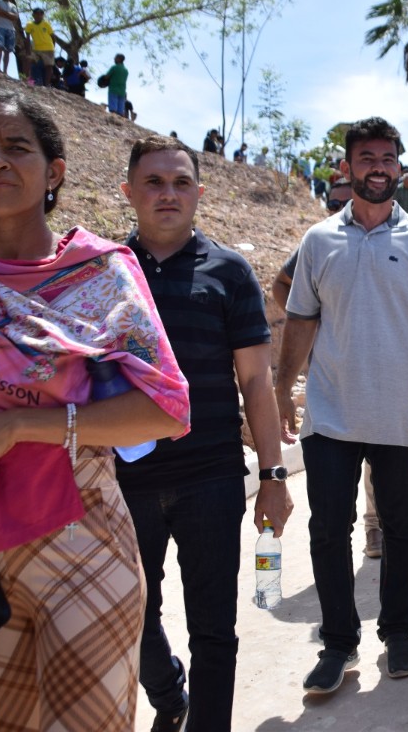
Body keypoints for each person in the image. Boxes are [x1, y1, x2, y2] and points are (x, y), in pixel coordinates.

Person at [0, 87, 191, 730]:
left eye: (16, 147)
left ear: (53, 173)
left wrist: (22, 424)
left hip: (80, 542)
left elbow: (166, 409)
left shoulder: (102, 273)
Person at [119, 135, 293, 732]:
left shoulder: (230, 271)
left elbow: (256, 383)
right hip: (123, 485)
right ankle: (168, 694)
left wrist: (273, 478)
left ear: (199, 192)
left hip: (213, 481)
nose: (168, 194)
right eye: (154, 182)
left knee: (215, 629)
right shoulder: (102, 272)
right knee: (132, 617)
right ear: (129, 192)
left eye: (181, 182)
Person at [276, 117, 408, 694]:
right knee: (328, 530)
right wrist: (281, 392)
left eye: (387, 157)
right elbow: (300, 320)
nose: (377, 166)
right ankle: (339, 644)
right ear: (347, 168)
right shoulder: (319, 240)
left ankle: (398, 632)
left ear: (400, 168)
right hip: (332, 414)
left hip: (402, 416)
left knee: (402, 529)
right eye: (366, 157)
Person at [270, 180, 382, 561]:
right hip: (333, 382)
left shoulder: (394, 238)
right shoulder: (317, 243)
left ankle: (375, 526)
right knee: (336, 488)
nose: (337, 207)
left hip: (384, 379)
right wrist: (311, 320)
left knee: (380, 467)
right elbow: (281, 286)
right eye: (332, 201)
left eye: (343, 200)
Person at [23, 8, 57, 87]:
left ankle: (47, 84)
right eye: (36, 14)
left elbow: (53, 36)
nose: (38, 16)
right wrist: (28, 51)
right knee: (29, 61)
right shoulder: (29, 25)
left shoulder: (46, 24)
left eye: (40, 14)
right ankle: (28, 81)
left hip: (48, 47)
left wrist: (53, 47)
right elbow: (27, 38)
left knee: (49, 66)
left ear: (42, 16)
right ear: (33, 15)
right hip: (36, 48)